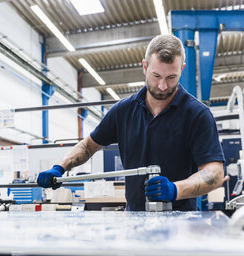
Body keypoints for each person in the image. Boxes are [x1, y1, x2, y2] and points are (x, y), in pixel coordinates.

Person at [37, 34, 227, 211]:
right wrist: (59, 167)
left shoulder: (197, 114)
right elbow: (88, 146)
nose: (162, 86)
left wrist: (175, 189)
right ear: (144, 67)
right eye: (156, 76)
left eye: (171, 77)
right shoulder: (123, 111)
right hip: (134, 219)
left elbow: (215, 172)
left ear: (182, 69)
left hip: (181, 223)